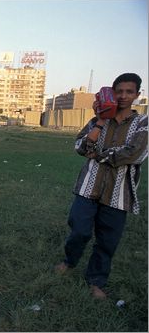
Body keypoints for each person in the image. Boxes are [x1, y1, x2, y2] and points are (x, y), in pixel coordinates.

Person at [55, 73, 148, 300]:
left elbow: (135, 154)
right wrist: (100, 121)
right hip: (88, 187)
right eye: (119, 91)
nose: (124, 96)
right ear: (111, 93)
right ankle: (70, 261)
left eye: (129, 92)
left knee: (108, 240)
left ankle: (96, 280)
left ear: (137, 95)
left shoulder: (143, 123)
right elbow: (79, 146)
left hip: (119, 193)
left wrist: (98, 154)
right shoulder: (98, 119)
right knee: (79, 230)